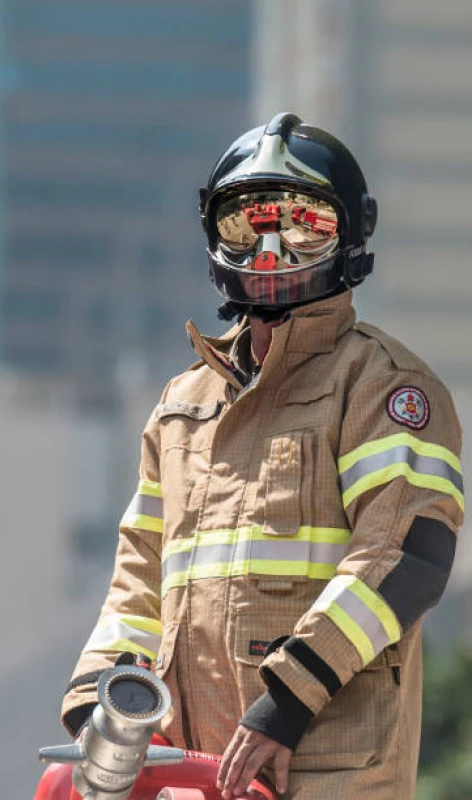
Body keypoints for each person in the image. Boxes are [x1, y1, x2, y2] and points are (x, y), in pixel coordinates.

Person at [61, 113, 464, 799]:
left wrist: (286, 703)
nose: (271, 253)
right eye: (244, 228)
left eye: (306, 226)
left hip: (324, 769)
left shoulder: (383, 386)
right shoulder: (182, 407)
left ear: (351, 237)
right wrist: (99, 701)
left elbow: (403, 559)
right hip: (188, 771)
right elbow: (138, 577)